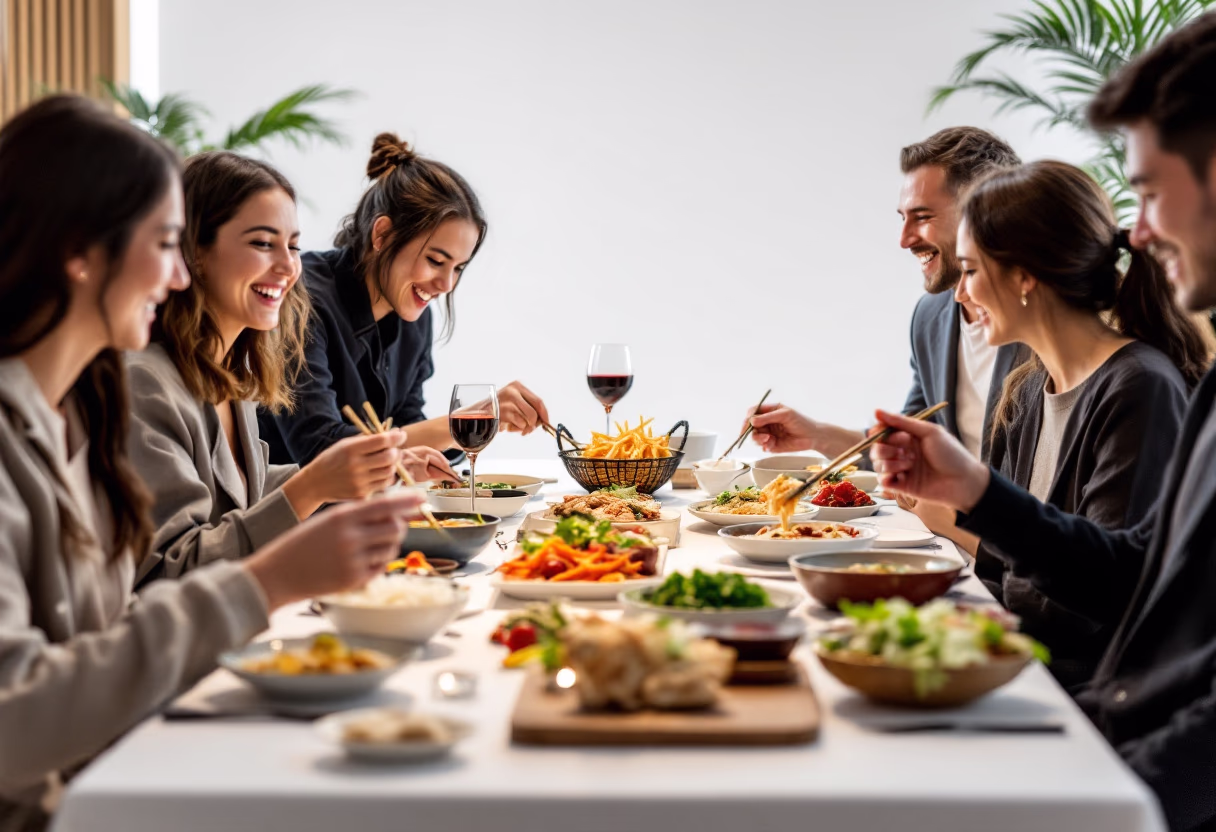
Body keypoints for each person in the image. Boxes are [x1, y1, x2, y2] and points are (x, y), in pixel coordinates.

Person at [0, 96, 420, 832]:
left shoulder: (68, 416)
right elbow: (17, 721)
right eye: (165, 245)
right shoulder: (95, 405)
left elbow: (105, 626)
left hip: (112, 769)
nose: (174, 279)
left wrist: (323, 495)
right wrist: (267, 580)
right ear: (78, 251)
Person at [871, 14, 1216, 829]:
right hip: (1105, 730)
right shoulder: (1178, 393)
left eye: (1153, 193)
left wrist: (1109, 786)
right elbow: (1132, 575)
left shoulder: (1147, 384)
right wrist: (981, 493)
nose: (1134, 232)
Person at [127, 152, 458, 586]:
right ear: (194, 251)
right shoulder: (144, 385)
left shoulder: (233, 375)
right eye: (264, 244)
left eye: (294, 245)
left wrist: (364, 472)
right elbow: (167, 572)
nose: (288, 268)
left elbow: (246, 489)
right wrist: (314, 486)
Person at [957, 159, 1207, 690]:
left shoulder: (1140, 386)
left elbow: (1101, 602)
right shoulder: (1026, 388)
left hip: (1086, 698)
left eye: (971, 270)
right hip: (1029, 672)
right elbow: (999, 572)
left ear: (1023, 276)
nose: (960, 293)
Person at [259, 133, 550, 466]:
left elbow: (407, 425)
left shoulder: (414, 314)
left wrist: (478, 420)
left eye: (458, 268)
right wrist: (466, 420)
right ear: (382, 234)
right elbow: (321, 450)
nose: (445, 284)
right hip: (287, 514)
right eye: (436, 261)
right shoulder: (299, 297)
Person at [747, 126, 1026, 465]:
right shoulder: (931, 316)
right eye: (903, 218)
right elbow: (907, 442)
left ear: (983, 213)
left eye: (922, 217)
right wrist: (816, 434)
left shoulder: (1043, 322)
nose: (905, 240)